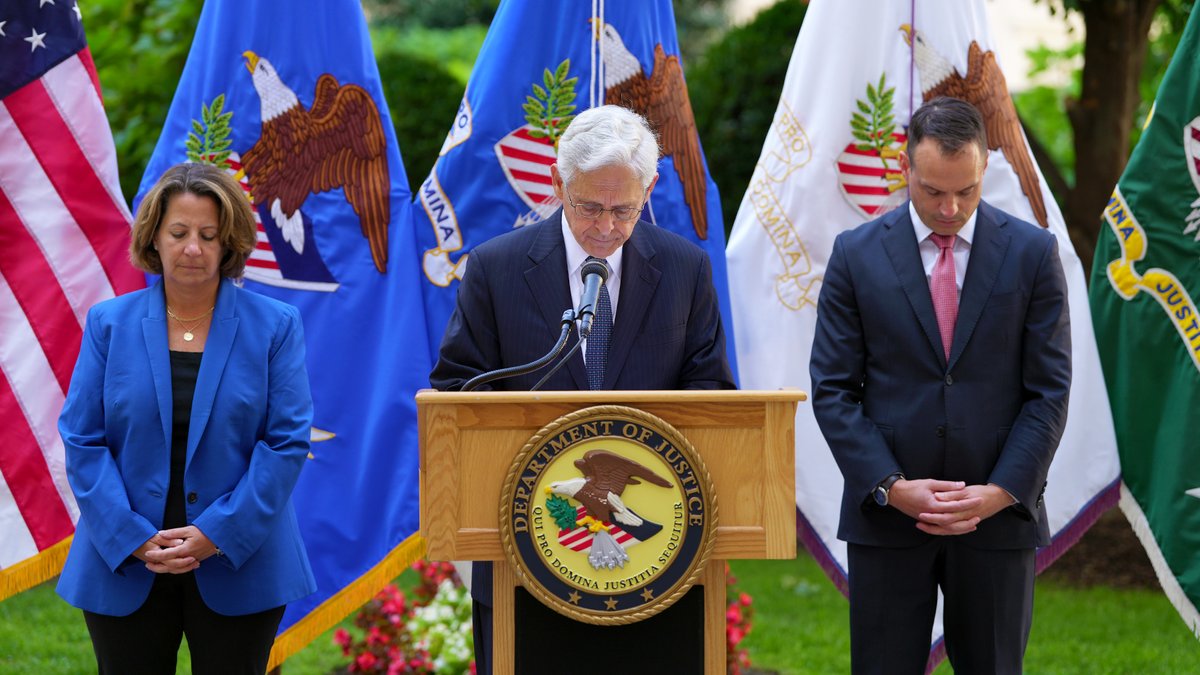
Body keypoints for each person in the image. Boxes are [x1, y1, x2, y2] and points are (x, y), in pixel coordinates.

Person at [431, 104, 735, 674]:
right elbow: (456, 390)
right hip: (526, 544)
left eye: (624, 209)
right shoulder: (496, 268)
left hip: (657, 554)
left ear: (650, 189)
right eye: (589, 206)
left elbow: (710, 394)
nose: (605, 227)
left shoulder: (684, 270)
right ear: (557, 182)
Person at [809, 96, 1071, 674]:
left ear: (984, 173)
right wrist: (891, 485)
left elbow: (1049, 391)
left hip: (998, 519)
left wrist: (1002, 491)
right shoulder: (855, 254)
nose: (950, 208)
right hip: (888, 518)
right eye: (932, 191)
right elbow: (832, 388)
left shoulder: (1032, 254)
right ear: (907, 169)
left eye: (967, 191)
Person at [57, 162, 317, 674]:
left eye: (208, 235)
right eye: (178, 233)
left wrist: (217, 532)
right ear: (154, 236)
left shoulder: (275, 326)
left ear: (230, 244)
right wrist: (129, 534)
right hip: (125, 562)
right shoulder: (109, 323)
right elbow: (82, 439)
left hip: (240, 563)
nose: (192, 248)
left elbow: (286, 443)